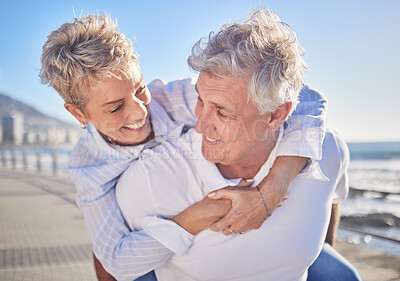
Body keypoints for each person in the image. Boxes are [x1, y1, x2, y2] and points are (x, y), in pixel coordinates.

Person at [39, 12, 359, 281]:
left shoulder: (173, 98)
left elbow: (300, 96)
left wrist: (275, 186)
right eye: (115, 108)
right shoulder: (89, 167)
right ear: (78, 113)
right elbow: (115, 260)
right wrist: (197, 216)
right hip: (161, 249)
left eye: (139, 90)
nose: (139, 112)